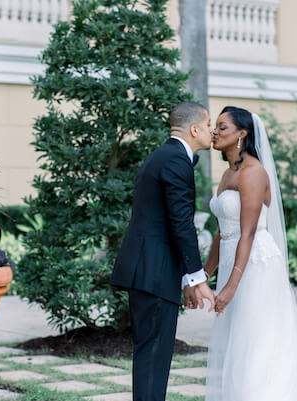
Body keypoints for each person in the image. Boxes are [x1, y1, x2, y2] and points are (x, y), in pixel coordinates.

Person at [204, 106, 297, 401]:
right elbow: (222, 230)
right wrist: (205, 274)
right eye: (214, 126)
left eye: (222, 127)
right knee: (235, 342)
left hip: (255, 264)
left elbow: (248, 233)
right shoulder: (229, 172)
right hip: (233, 259)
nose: (214, 131)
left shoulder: (252, 172)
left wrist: (230, 285)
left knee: (254, 340)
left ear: (243, 134)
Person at [111, 101, 215, 401]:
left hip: (151, 271)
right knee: (154, 356)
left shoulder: (164, 156)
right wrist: (197, 278)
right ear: (194, 129)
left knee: (151, 356)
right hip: (153, 272)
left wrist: (185, 280)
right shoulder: (174, 160)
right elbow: (180, 223)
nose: (210, 131)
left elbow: (166, 223)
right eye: (208, 125)